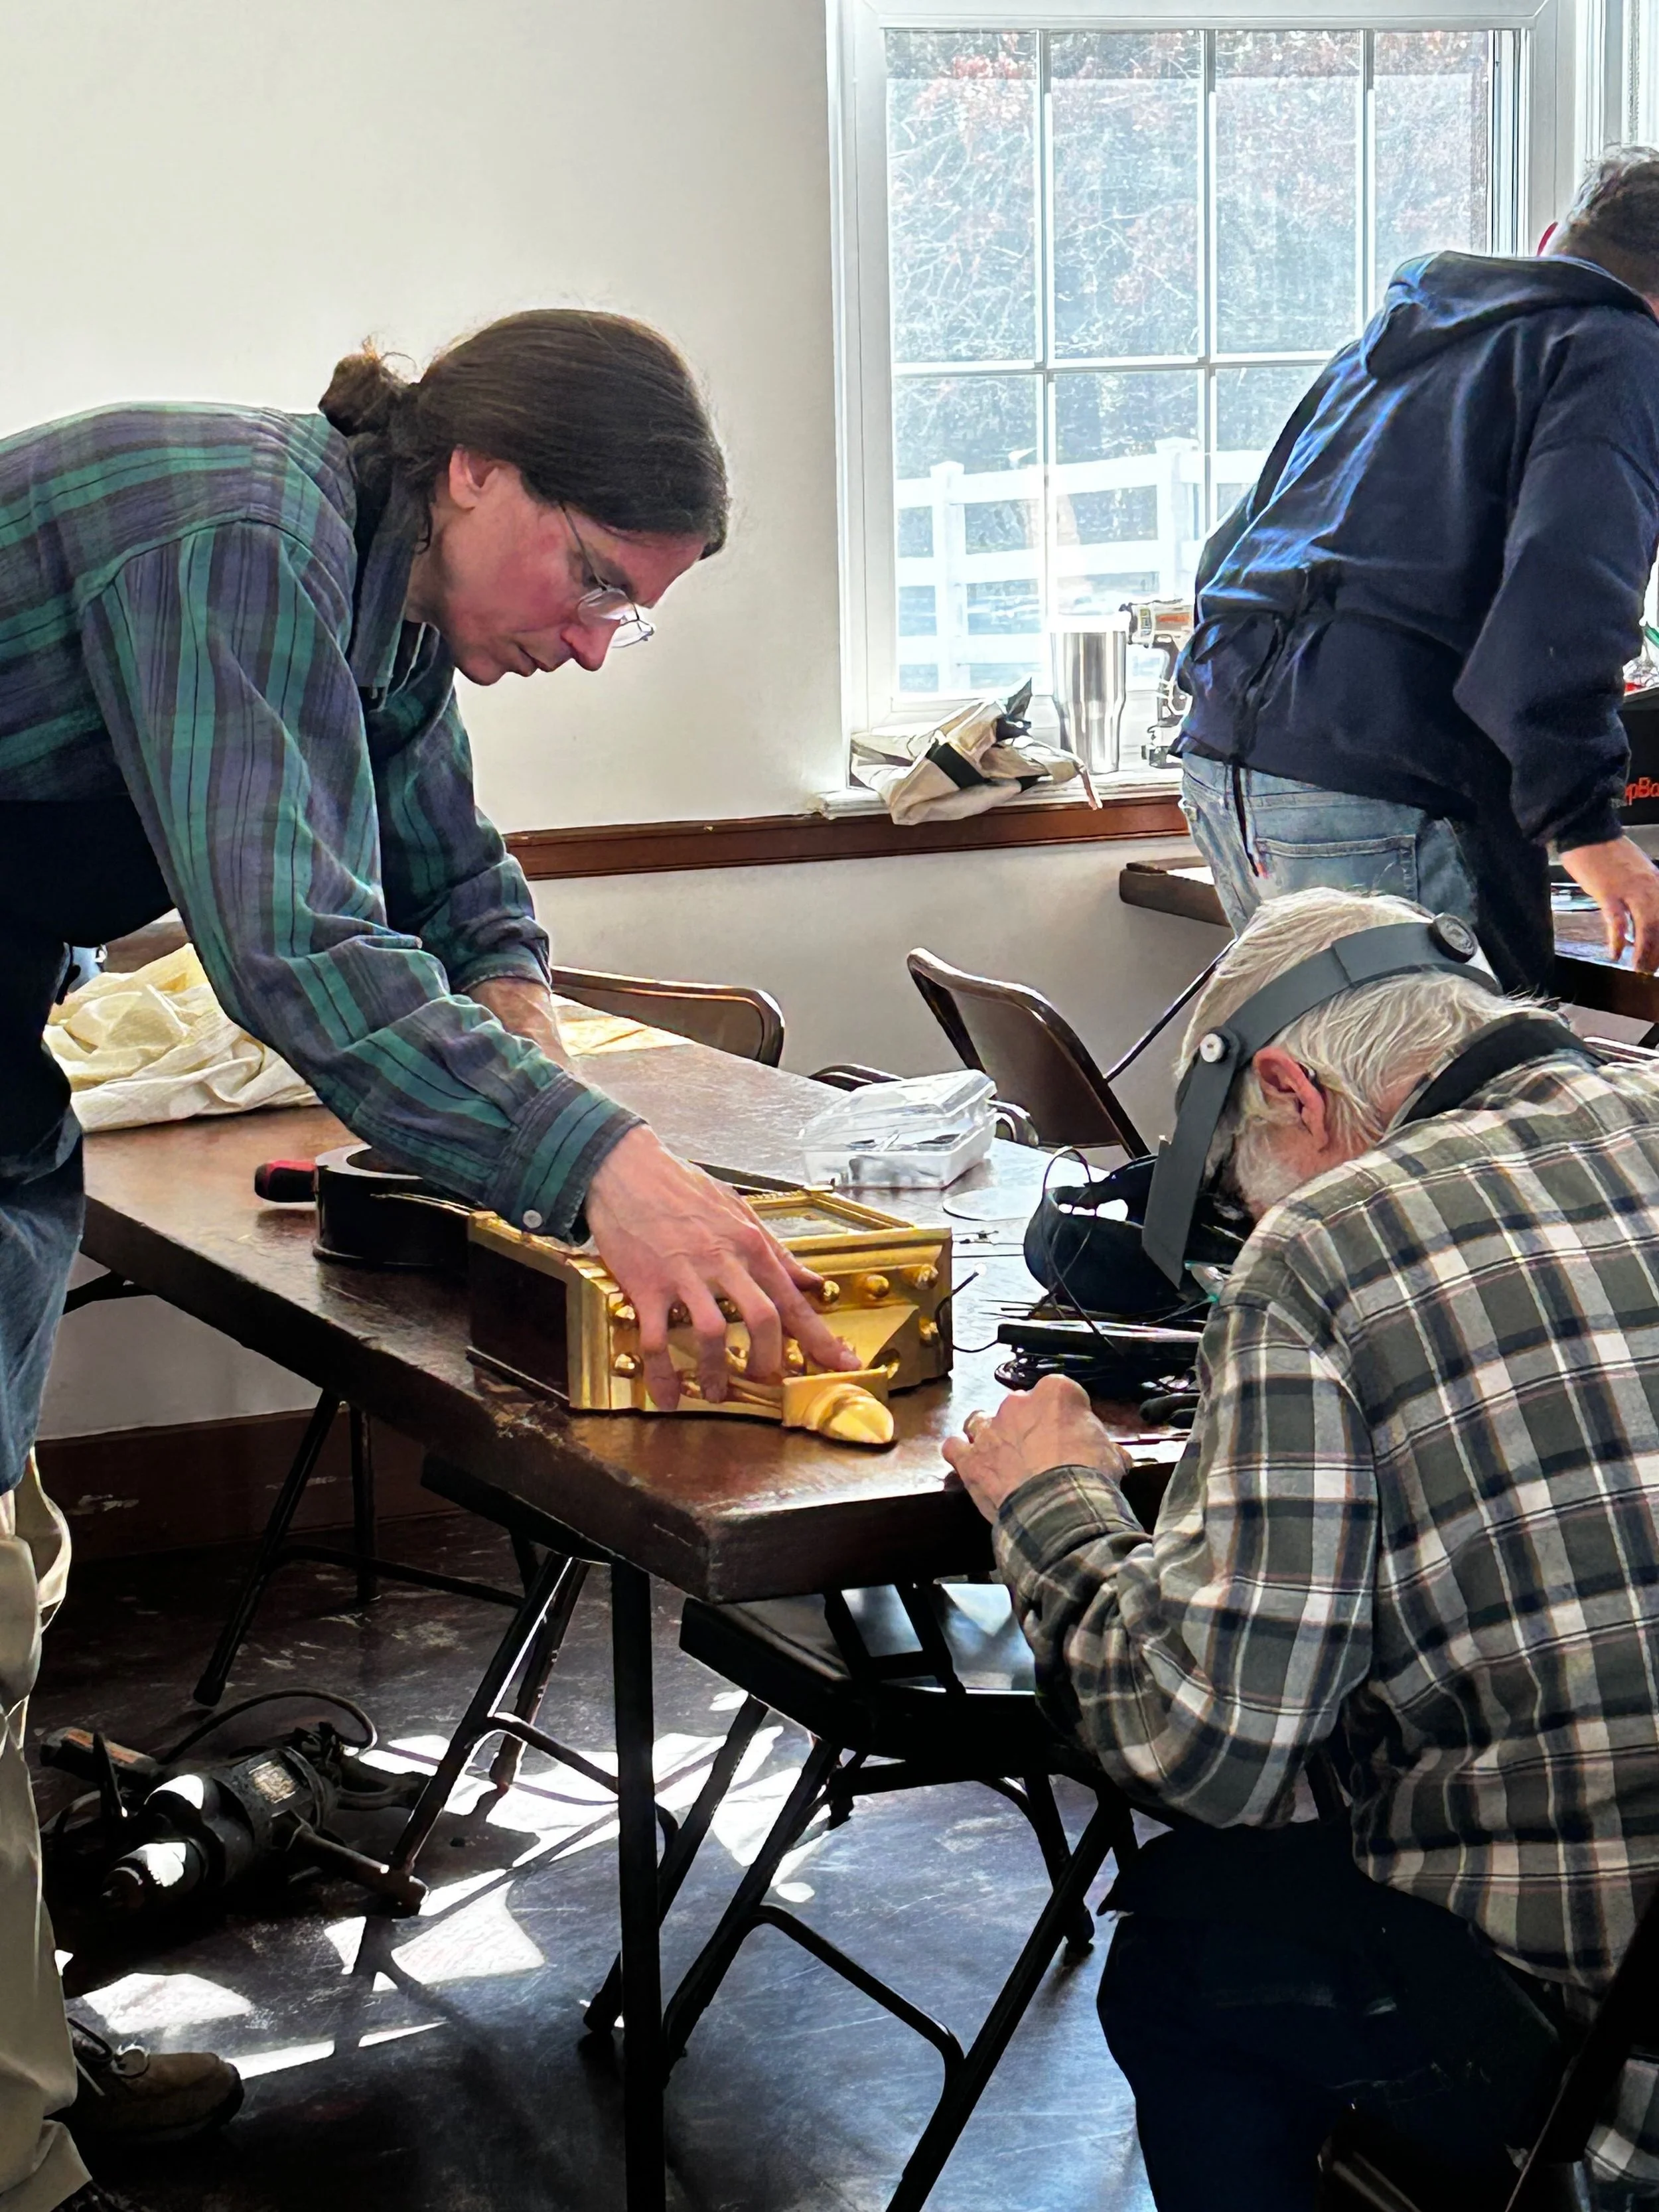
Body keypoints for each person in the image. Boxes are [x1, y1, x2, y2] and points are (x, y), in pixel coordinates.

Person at [0, 311, 855, 2212]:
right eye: (592, 578)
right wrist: (598, 1165)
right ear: (477, 468)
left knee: (2, 1573)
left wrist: (526, 1028)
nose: (588, 637)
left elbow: (446, 875)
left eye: (629, 615)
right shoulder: (235, 534)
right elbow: (293, 943)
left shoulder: (374, 587)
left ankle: (14, 2057)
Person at [946, 887, 1659, 2211]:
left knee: (1184, 1938)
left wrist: (1051, 1506)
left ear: (1288, 1092)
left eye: (1237, 1192)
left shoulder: (1328, 1243)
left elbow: (1201, 1747)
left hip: (1611, 2080)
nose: (1243, 1234)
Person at [1175, 147, 1659, 995]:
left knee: (1330, 1105)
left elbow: (1232, 551)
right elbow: (1563, 595)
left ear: (1549, 242)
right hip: (1384, 785)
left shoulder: (1400, 337)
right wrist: (1586, 829)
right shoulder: (1614, 344)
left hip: (1228, 766)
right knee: (1457, 1113)